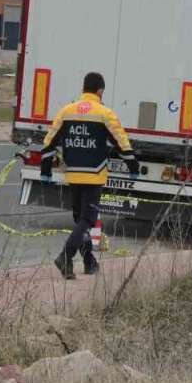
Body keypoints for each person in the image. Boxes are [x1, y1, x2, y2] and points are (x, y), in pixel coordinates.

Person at [40, 72, 140, 279]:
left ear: (83, 88)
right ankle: (65, 257)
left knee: (80, 220)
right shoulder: (105, 113)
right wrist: (133, 167)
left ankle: (88, 262)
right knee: (87, 219)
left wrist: (45, 169)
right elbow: (121, 143)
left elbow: (49, 142)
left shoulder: (66, 111)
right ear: (100, 90)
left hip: (73, 173)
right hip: (94, 175)